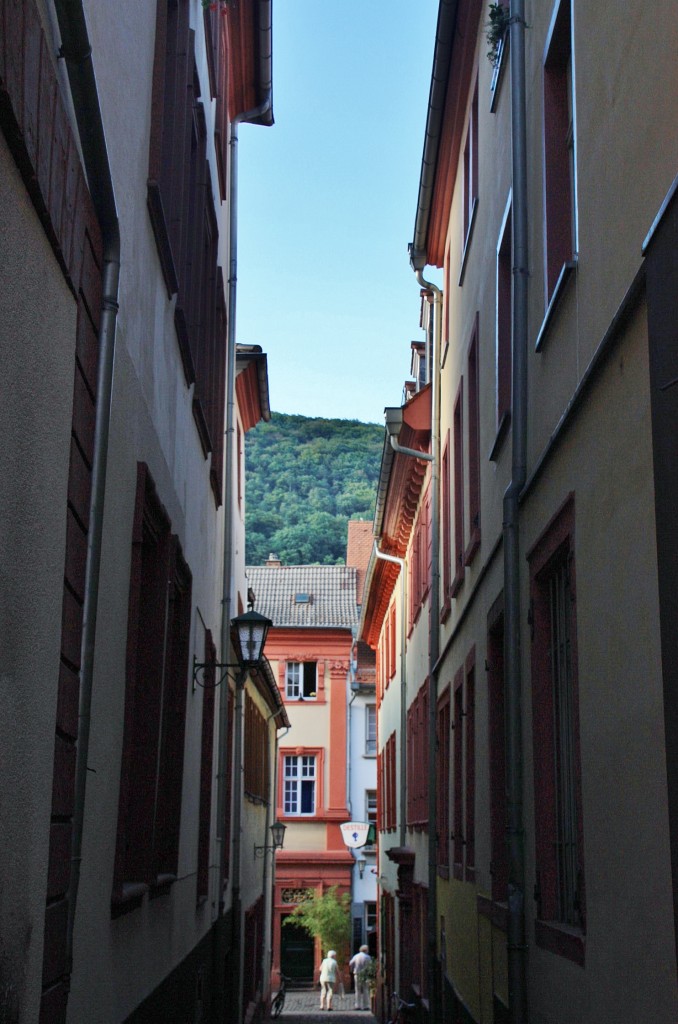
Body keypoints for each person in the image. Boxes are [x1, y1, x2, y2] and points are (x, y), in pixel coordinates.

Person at [349, 944, 372, 1010]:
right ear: (366, 950)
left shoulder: (356, 956)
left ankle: (357, 1005)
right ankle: (366, 1005)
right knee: (365, 990)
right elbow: (370, 965)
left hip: (357, 974)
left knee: (357, 990)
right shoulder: (367, 957)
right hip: (365, 974)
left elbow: (350, 963)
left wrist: (353, 968)